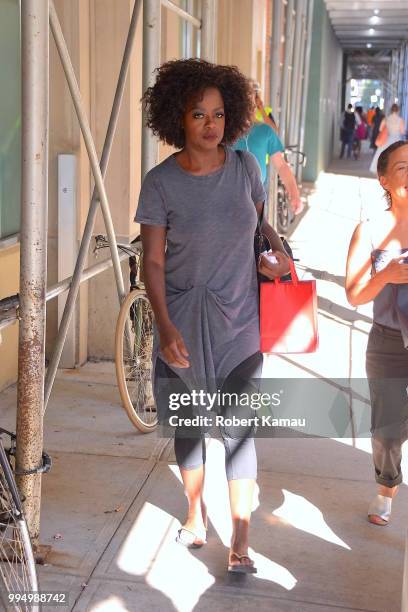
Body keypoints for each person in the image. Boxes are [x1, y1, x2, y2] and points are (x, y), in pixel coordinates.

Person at [135, 58, 291, 572]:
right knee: (189, 424)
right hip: (181, 316)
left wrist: (275, 257)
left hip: (241, 316)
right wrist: (164, 325)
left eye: (219, 114)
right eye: (198, 114)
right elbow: (152, 260)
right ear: (178, 118)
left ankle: (241, 539)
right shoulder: (160, 182)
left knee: (240, 429)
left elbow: (261, 226)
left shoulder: (246, 167)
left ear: (232, 116)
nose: (210, 125)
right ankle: (196, 514)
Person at [345, 140, 408, 526]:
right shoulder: (369, 230)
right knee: (387, 432)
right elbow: (353, 294)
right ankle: (386, 488)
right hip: (386, 341)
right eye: (402, 167)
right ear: (384, 179)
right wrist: (385, 275)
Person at [233, 83, 303, 216]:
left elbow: (281, 166)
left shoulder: (265, 131)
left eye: (250, 100)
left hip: (257, 196)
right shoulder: (224, 132)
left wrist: (294, 194)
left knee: (261, 232)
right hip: (229, 198)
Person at [370, 104, 405, 174]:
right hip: (397, 139)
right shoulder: (400, 120)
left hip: (388, 139)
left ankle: (385, 170)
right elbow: (402, 131)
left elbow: (380, 129)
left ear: (391, 110)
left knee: (385, 155)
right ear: (398, 110)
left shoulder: (386, 119)